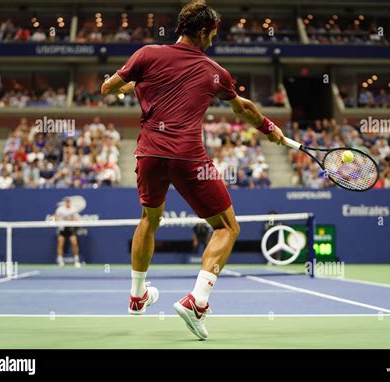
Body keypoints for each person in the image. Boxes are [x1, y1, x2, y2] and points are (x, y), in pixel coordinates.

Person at [101, 0, 285, 340]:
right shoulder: (215, 72)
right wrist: (269, 128)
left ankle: (137, 297)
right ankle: (197, 302)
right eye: (212, 35)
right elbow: (242, 107)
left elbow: (108, 88)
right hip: (188, 156)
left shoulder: (146, 55)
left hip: (149, 155)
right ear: (201, 32)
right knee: (228, 227)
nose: (212, 41)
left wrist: (138, 85)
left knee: (149, 219)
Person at [54, 197, 82, 268]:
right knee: (60, 241)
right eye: (66, 202)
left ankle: (76, 260)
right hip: (62, 228)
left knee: (74, 241)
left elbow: (77, 219)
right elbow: (56, 217)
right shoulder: (60, 209)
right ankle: (60, 260)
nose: (68, 203)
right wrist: (59, 222)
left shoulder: (74, 209)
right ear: (64, 202)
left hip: (71, 228)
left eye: (69, 201)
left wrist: (74, 221)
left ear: (70, 202)